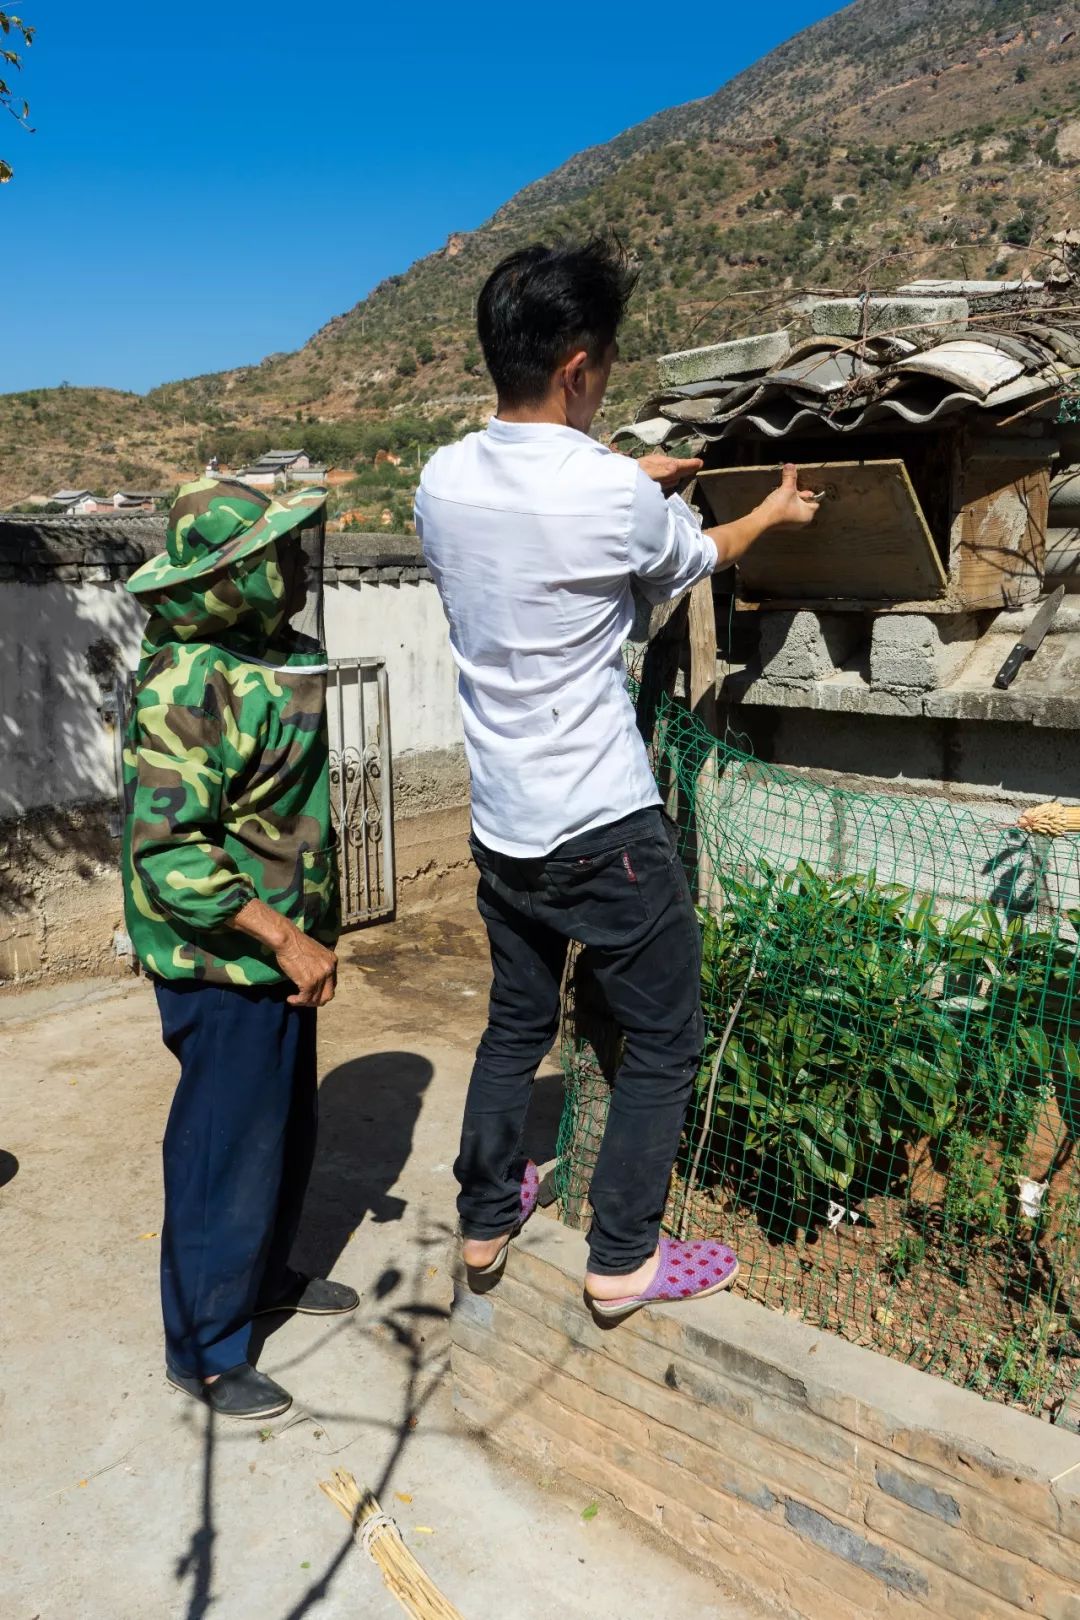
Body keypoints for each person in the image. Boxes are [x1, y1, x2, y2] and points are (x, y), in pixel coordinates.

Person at [415, 237, 819, 1318]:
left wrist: (627, 478)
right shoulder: (608, 493)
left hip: (502, 824)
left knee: (515, 1024)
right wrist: (772, 514)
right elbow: (697, 553)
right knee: (666, 1035)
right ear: (581, 369)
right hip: (601, 824)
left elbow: (539, 529)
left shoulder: (441, 479)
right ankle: (624, 1259)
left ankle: (487, 1220)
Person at [123, 477, 354, 1419]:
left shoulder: (268, 659)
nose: (299, 562)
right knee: (226, 1148)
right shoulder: (191, 682)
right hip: (222, 958)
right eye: (280, 553)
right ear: (238, 577)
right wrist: (283, 937)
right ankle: (206, 1351)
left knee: (283, 1133)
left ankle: (260, 1277)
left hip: (278, 951)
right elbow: (170, 849)